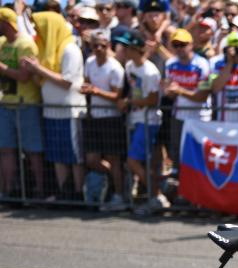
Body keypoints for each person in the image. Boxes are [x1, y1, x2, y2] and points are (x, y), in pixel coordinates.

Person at [23, 11, 86, 202]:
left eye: (39, 26)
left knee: (74, 156)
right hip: (51, 111)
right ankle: (63, 191)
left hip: (69, 111)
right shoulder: (44, 49)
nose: (36, 30)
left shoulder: (70, 49)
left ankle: (78, 192)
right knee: (58, 155)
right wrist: (31, 69)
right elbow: (43, 78)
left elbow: (66, 81)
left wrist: (38, 69)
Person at [117, 28, 166, 210]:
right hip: (135, 118)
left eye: (127, 47)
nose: (124, 50)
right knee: (140, 162)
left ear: (136, 49)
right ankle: (152, 195)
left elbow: (153, 100)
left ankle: (156, 196)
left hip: (148, 121)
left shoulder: (150, 72)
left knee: (133, 162)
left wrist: (130, 102)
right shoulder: (130, 67)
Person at [0, 7, 45, 200]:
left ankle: (40, 191)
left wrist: (1, 68)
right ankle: (9, 190)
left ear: (6, 23)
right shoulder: (1, 43)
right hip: (6, 103)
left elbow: (24, 77)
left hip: (26, 104)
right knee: (6, 150)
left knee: (33, 151)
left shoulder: (26, 44)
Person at [80, 28, 127, 211]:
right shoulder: (90, 62)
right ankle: (118, 179)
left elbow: (117, 96)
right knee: (91, 159)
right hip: (94, 116)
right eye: (94, 46)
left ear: (108, 46)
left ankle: (119, 193)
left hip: (111, 118)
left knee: (113, 158)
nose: (98, 48)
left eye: (102, 45)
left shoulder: (115, 67)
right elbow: (87, 82)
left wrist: (96, 91)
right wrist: (86, 90)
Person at [163, 28, 211, 166]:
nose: (179, 48)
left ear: (191, 45)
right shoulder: (170, 64)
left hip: (199, 117)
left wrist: (179, 90)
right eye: (176, 45)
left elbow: (202, 96)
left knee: (199, 154)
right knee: (178, 154)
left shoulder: (202, 64)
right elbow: (171, 95)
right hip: (179, 116)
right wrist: (169, 91)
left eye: (183, 45)